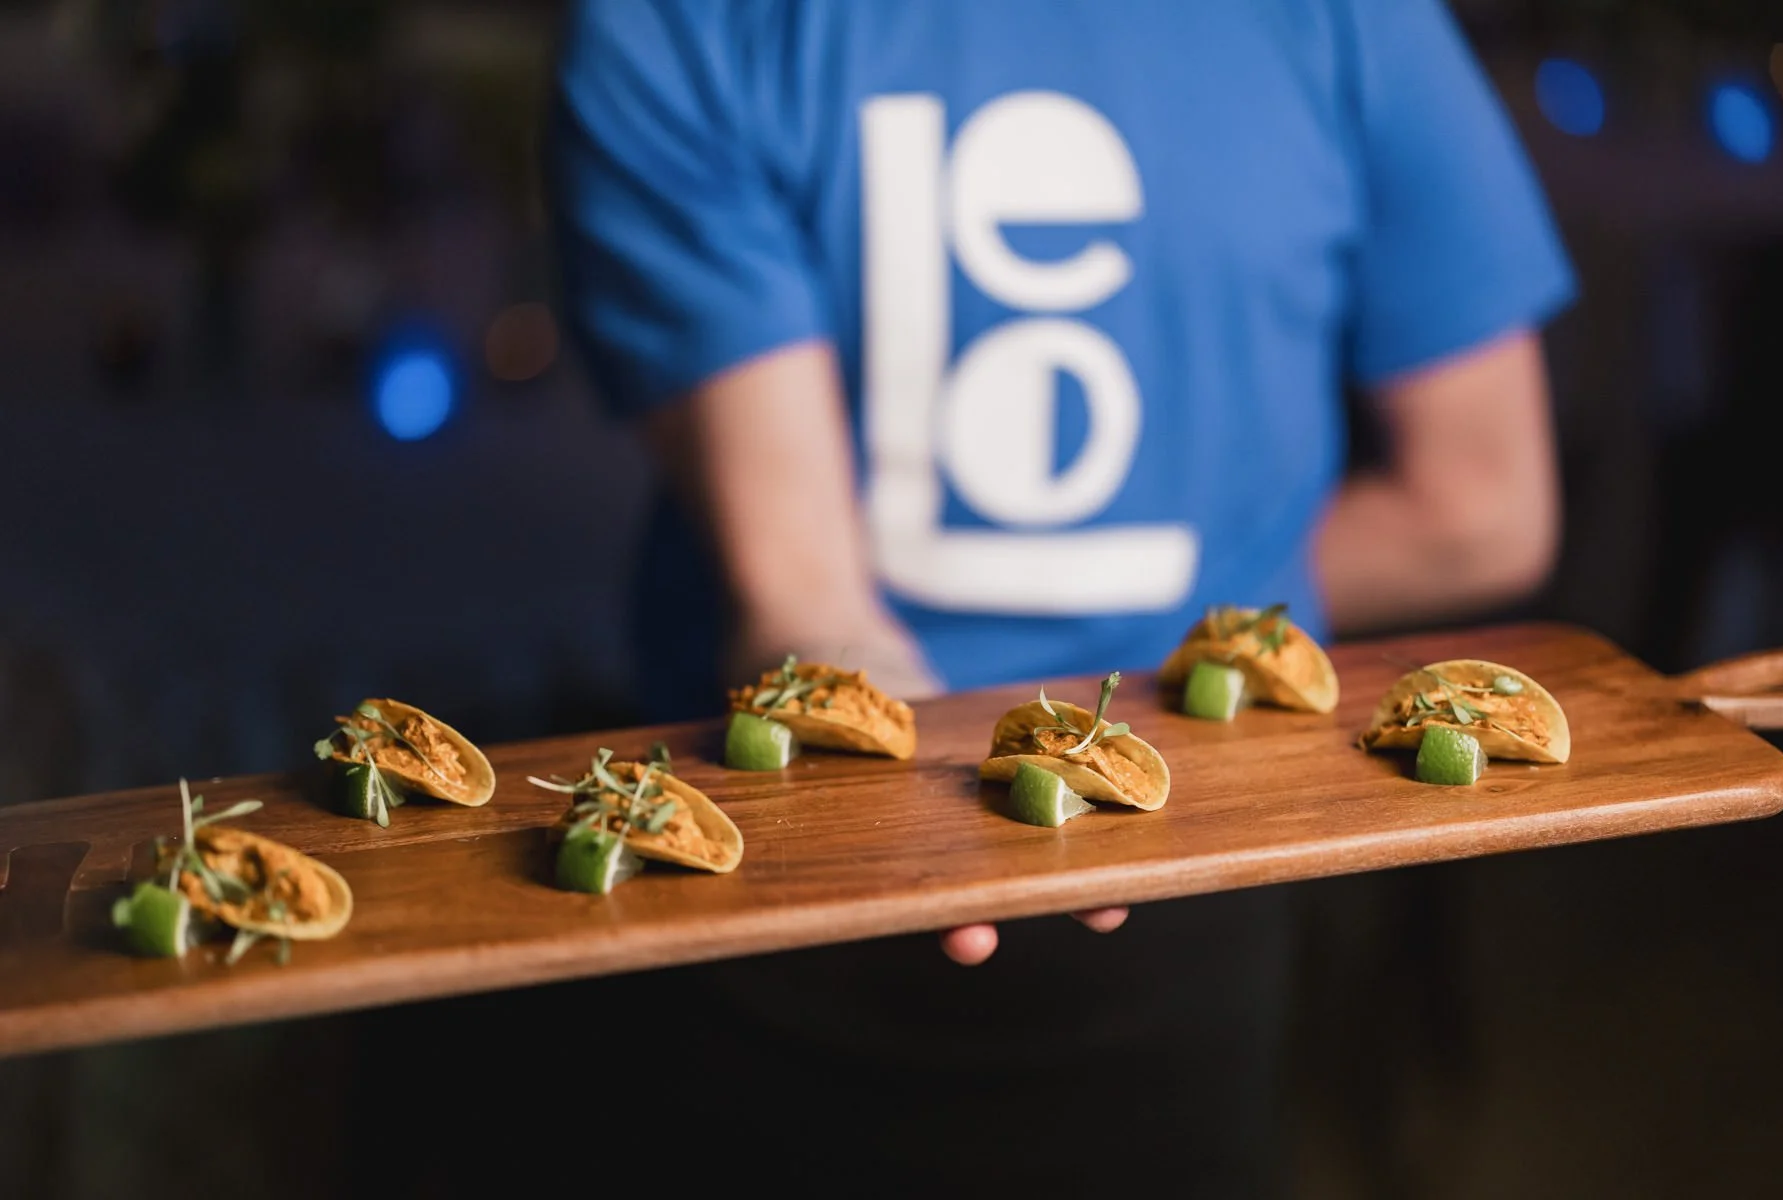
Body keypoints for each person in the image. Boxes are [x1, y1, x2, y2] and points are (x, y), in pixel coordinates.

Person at [357, 1, 1570, 1195]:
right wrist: (1189, 639)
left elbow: (1484, 508)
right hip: (775, 870)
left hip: (1148, 879)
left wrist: (1188, 660)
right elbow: (801, 588)